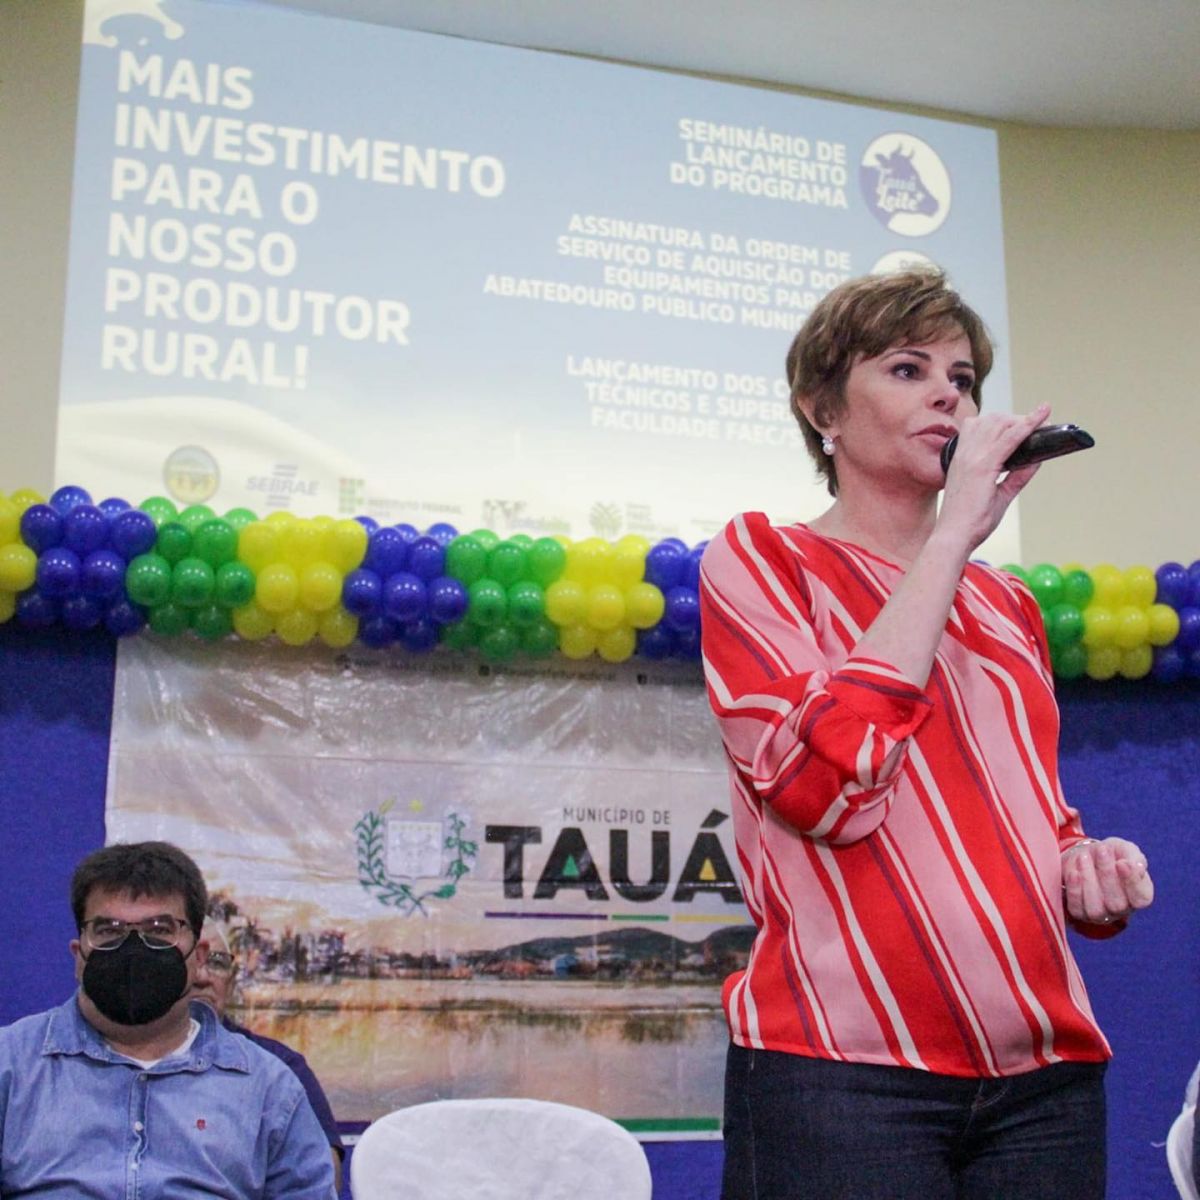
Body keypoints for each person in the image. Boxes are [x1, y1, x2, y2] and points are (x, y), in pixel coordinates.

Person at [699, 268, 1154, 1200]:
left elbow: (1038, 813)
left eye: (963, 377)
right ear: (822, 409)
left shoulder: (1009, 605)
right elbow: (826, 791)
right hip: (840, 1073)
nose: (949, 394)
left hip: (1046, 1078)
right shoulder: (765, 558)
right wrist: (950, 541)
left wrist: (1085, 868)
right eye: (908, 369)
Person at [0, 841, 334, 1199]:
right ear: (78, 955)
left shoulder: (268, 1087)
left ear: (199, 956)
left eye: (159, 929)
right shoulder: (11, 1066)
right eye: (109, 929)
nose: (133, 948)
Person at [192, 921, 345, 1191]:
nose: (202, 977)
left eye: (216, 962)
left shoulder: (278, 1067)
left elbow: (321, 1180)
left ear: (232, 979)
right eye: (190, 961)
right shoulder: (132, 1060)